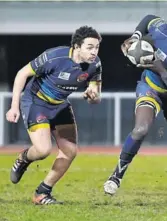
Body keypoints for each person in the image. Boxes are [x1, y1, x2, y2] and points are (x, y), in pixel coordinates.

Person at [103, 14, 167, 210]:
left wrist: (162, 70)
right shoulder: (163, 31)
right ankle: (116, 176)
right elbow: (149, 18)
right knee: (140, 129)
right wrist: (135, 37)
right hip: (150, 88)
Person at [6, 26, 102, 205]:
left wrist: (93, 96)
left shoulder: (95, 65)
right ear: (76, 46)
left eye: (96, 47)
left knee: (70, 151)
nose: (94, 52)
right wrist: (14, 107)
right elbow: (22, 74)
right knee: (43, 150)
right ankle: (23, 158)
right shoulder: (54, 57)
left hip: (60, 106)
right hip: (37, 103)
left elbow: (95, 98)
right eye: (90, 47)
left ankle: (42, 193)